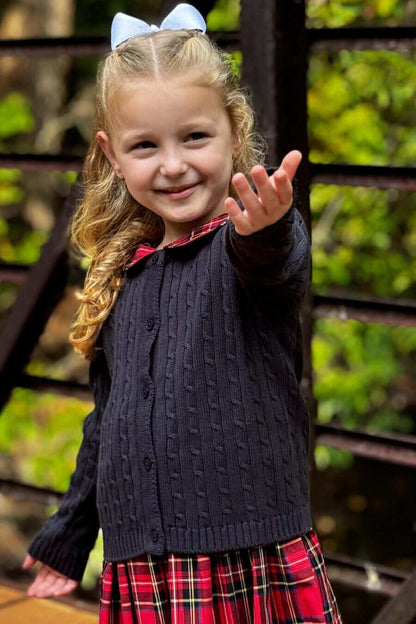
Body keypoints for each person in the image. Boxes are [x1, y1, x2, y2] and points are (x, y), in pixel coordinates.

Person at [22, 4, 343, 622]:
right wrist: (69, 534)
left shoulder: (246, 243)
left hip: (246, 555)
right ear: (112, 155)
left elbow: (277, 268)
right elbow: (107, 427)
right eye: (145, 145)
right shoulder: (127, 272)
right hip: (143, 566)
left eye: (195, 137)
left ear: (233, 131)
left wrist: (267, 232)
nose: (172, 165)